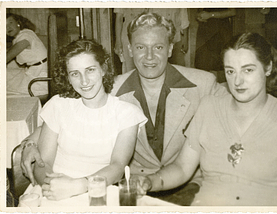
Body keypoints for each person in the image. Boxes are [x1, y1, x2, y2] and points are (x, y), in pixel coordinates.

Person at [20, 12, 227, 205]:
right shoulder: (108, 86)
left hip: (188, 186)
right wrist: (28, 144)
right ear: (129, 49)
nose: (149, 56)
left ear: (170, 48)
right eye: (140, 47)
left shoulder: (203, 84)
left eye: (158, 47)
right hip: (131, 188)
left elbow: (243, 105)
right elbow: (69, 113)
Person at [135, 32, 277, 206]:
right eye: (230, 71)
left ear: (268, 67)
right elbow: (181, 168)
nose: (238, 81)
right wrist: (150, 181)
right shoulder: (209, 107)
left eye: (248, 70)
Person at [30, 39, 147, 200]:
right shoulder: (58, 105)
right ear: (68, 77)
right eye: (75, 73)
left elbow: (118, 166)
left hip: (99, 191)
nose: (84, 81)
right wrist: (52, 186)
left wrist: (78, 186)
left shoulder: (127, 113)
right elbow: (43, 163)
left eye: (90, 70)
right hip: (53, 190)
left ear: (103, 69)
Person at [114, 8, 189, 73]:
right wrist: (118, 42)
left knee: (172, 70)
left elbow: (184, 18)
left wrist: (185, 38)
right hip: (138, 37)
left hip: (172, 38)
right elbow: (119, 17)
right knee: (134, 69)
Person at [6, 13, 48, 96]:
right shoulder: (24, 35)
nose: (7, 27)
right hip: (36, 71)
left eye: (10, 22)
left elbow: (6, 57)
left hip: (39, 79)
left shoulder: (25, 36)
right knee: (7, 74)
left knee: (5, 85)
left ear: (18, 23)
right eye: (4, 25)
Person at [194, 8, 236, 82]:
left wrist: (210, 15)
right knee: (202, 64)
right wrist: (199, 15)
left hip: (221, 31)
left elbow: (232, 12)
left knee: (222, 65)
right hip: (205, 30)